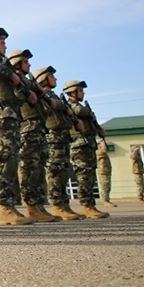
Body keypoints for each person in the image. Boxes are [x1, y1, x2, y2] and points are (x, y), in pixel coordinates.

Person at [0, 28, 35, 226]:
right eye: (1, 42)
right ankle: (4, 207)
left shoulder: (4, 65)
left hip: (10, 116)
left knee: (11, 161)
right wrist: (12, 75)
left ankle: (10, 205)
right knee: (3, 160)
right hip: (0, 116)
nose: (5, 45)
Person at [9, 49, 60, 223]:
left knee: (38, 169)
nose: (29, 64)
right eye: (25, 61)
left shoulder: (28, 83)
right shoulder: (16, 82)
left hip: (37, 129)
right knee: (29, 169)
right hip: (28, 129)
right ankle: (32, 206)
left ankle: (38, 206)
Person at [36, 66, 85, 221]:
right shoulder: (43, 95)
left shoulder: (54, 95)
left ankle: (64, 204)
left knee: (64, 172)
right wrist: (65, 108)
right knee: (55, 172)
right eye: (51, 76)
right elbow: (51, 106)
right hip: (53, 138)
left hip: (62, 137)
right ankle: (57, 205)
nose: (55, 79)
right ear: (43, 79)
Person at [64, 80, 109, 219]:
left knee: (90, 176)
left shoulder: (81, 108)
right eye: (80, 90)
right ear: (72, 92)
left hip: (88, 144)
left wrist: (98, 129)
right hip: (79, 145)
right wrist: (90, 114)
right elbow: (79, 111)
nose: (83, 93)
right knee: (83, 176)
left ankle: (90, 204)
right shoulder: (71, 106)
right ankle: (86, 205)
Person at [96, 140, 114, 207]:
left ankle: (107, 200)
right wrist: (102, 143)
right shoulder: (98, 151)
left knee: (107, 187)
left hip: (106, 171)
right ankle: (105, 201)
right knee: (104, 187)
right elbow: (104, 150)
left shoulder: (102, 152)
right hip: (103, 172)